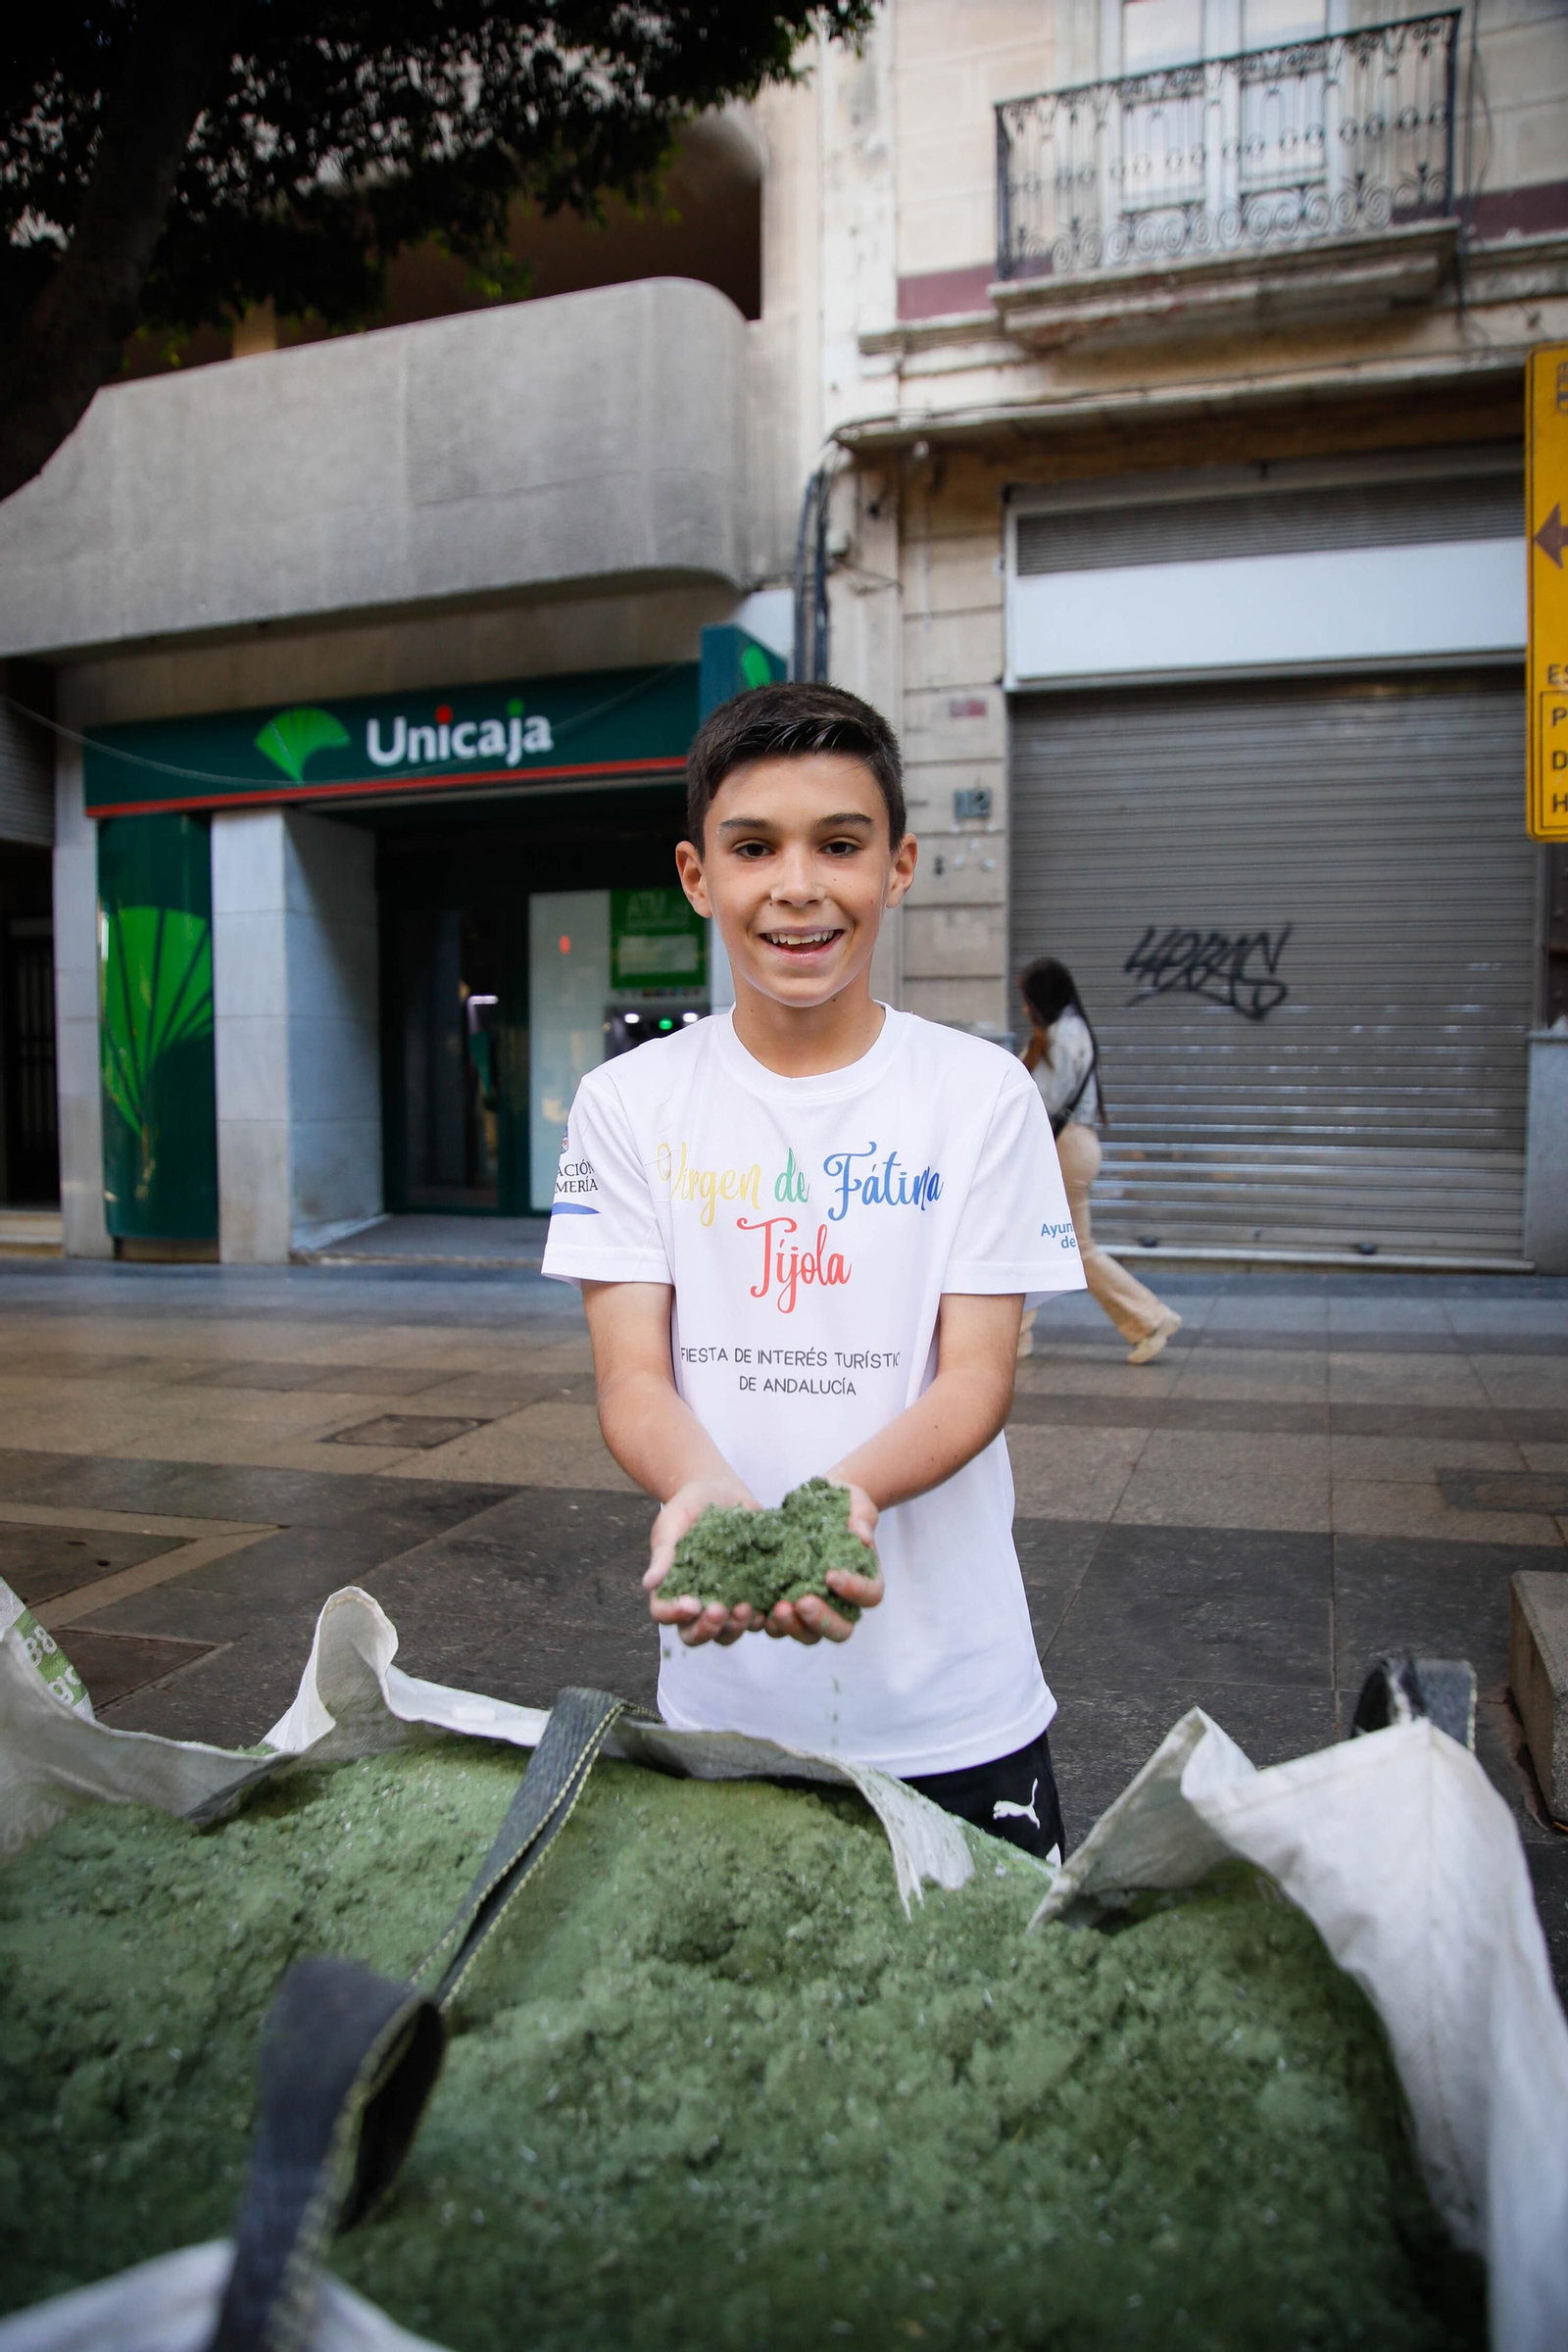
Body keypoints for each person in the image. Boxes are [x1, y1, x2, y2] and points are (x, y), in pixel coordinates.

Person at [540, 683, 1086, 1862]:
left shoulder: (980, 1095)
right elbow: (633, 1380)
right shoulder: (625, 1105)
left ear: (897, 867)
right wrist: (707, 1495)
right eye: (753, 848)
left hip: (960, 1708)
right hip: (726, 1714)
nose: (797, 884)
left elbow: (976, 1379)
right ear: (698, 876)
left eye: (839, 844)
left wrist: (837, 1504)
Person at [1015, 956, 1182, 1367]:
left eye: (1027, 999)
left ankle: (1150, 1318)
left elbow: (1042, 1100)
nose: (1024, 1007)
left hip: (1064, 1147)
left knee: (1074, 1247)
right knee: (1035, 1241)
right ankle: (1015, 1335)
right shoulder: (1071, 1031)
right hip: (1076, 1144)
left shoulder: (1060, 1037)